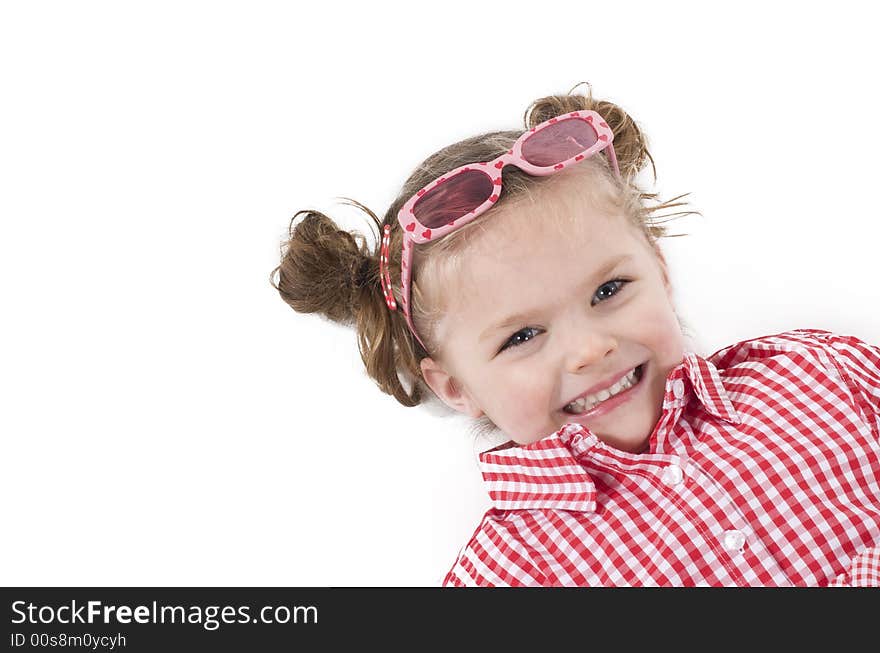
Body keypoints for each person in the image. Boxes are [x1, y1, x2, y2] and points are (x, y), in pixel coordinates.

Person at [270, 81, 880, 587]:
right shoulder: (513, 576)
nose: (591, 349)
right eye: (523, 335)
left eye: (609, 291)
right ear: (457, 387)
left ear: (659, 271)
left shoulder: (816, 377)